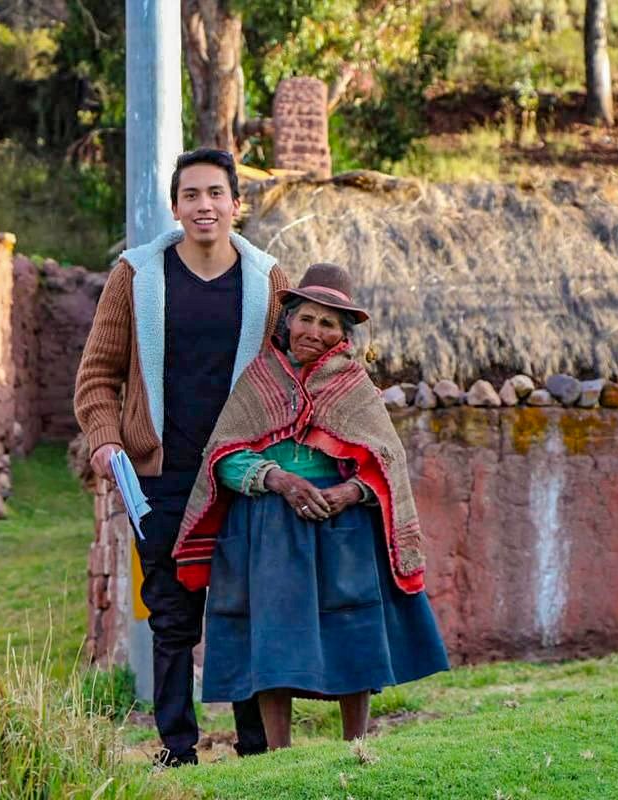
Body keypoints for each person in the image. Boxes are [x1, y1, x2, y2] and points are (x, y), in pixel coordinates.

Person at [173, 262, 450, 749]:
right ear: (288, 321)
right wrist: (277, 479)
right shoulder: (259, 380)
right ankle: (280, 751)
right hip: (269, 525)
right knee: (273, 632)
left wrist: (349, 492)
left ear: (343, 336)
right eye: (306, 318)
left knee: (353, 625)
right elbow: (223, 456)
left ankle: (356, 744)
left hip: (343, 527)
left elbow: (386, 460)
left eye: (328, 324)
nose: (314, 332)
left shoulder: (354, 387)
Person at [74, 148, 290, 766]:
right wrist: (106, 438)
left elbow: (292, 370)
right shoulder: (136, 275)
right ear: (175, 206)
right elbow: (97, 375)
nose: (204, 205)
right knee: (171, 613)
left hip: (240, 475)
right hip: (161, 476)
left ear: (236, 204)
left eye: (216, 193)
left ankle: (256, 748)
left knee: (242, 608)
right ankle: (177, 747)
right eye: (191, 194)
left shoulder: (268, 280)